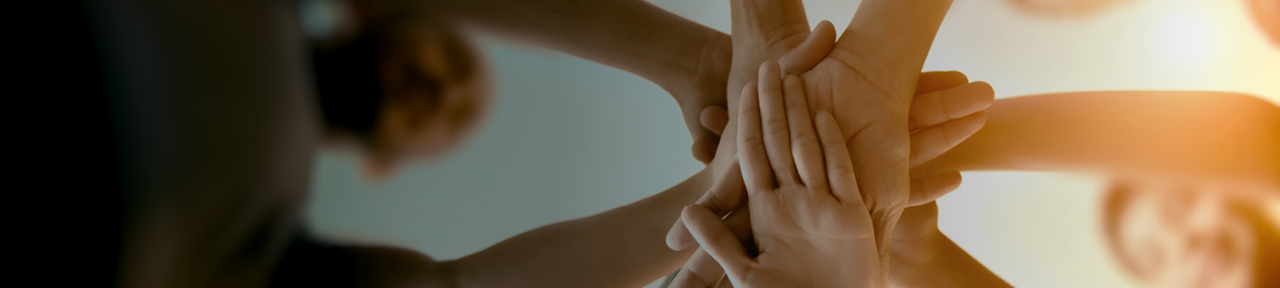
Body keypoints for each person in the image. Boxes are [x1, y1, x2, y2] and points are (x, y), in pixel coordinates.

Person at [91, 0, 992, 287]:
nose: (440, 85)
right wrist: (696, 57)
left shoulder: (259, 240)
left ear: (382, 162)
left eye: (441, 105)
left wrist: (724, 192)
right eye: (451, 65)